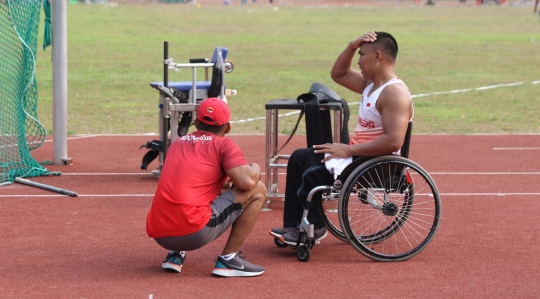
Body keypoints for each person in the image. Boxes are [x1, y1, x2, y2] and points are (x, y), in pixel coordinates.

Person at [269, 31, 414, 245]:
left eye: (362, 54)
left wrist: (348, 150)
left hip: (376, 164)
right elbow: (338, 73)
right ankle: (294, 225)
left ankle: (314, 227)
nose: (358, 60)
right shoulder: (370, 85)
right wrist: (351, 45)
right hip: (360, 157)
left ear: (377, 56)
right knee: (300, 157)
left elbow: (394, 142)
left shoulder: (394, 93)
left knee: (312, 168)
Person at [147, 98, 267, 277]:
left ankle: (175, 254)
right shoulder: (223, 144)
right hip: (192, 231)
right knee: (258, 189)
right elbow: (247, 182)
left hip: (159, 232)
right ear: (227, 128)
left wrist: (220, 186)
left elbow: (191, 181)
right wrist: (255, 166)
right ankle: (229, 259)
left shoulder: (176, 144)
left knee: (184, 198)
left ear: (196, 123)